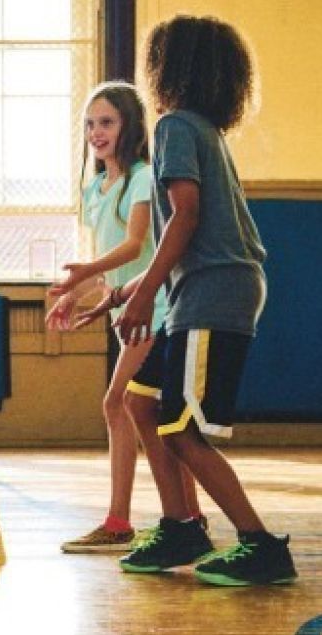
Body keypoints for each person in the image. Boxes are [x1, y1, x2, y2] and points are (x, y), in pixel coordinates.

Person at [72, 15, 297, 586]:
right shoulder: (202, 129)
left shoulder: (174, 126)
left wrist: (143, 296)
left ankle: (260, 543)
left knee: (180, 431)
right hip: (203, 290)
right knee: (141, 403)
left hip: (213, 294)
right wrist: (123, 292)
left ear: (167, 68)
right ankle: (180, 526)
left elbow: (188, 218)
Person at [48, 82, 202, 553]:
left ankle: (129, 521)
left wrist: (82, 278)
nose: (97, 132)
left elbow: (136, 246)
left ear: (129, 126)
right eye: (91, 123)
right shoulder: (96, 187)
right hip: (130, 310)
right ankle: (182, 518)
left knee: (121, 404)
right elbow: (115, 263)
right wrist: (80, 293)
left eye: (107, 122)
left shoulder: (142, 177)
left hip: (158, 308)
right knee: (147, 413)